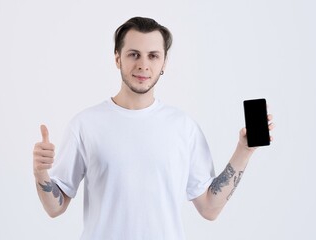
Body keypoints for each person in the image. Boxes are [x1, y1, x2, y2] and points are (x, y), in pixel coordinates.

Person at [33, 16, 274, 239]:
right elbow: (56, 207)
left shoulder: (183, 127)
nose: (143, 65)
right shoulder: (85, 124)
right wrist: (41, 173)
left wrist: (244, 151)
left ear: (164, 63)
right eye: (134, 54)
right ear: (117, 58)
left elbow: (209, 208)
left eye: (153, 55)